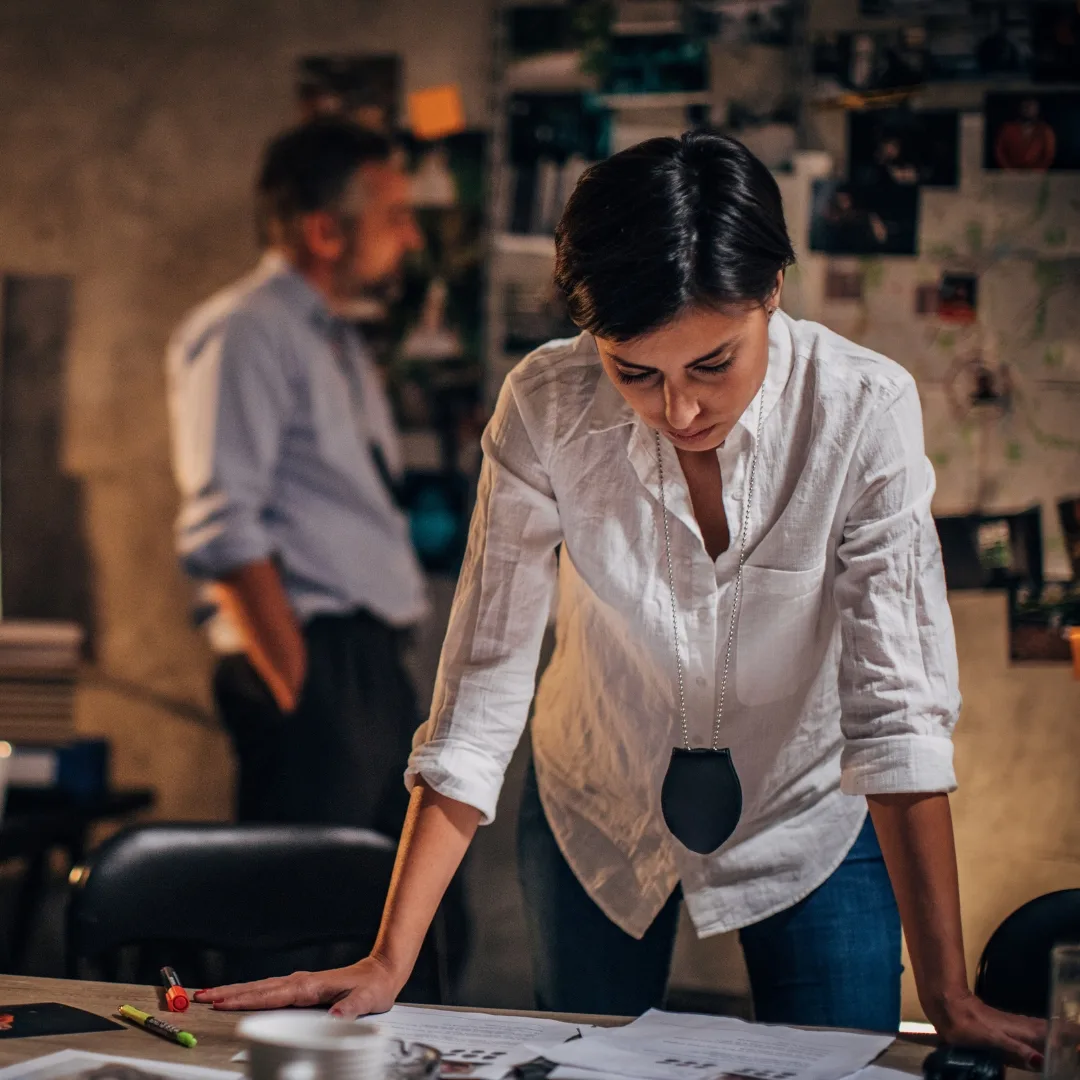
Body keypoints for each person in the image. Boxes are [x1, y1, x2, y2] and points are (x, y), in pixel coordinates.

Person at [195, 132, 1046, 1066]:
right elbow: (480, 692)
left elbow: (898, 713)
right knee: (582, 1065)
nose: (678, 412)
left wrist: (950, 996)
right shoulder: (546, 404)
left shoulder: (863, 409)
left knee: (838, 1061)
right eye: (635, 372)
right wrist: (389, 958)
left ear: (771, 291)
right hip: (593, 796)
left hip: (807, 804)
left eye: (712, 364)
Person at [166, 120, 428, 835]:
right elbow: (222, 528)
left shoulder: (332, 339)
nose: (411, 239)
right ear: (324, 231)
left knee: (401, 897)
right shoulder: (246, 330)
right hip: (320, 666)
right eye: (395, 217)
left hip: (368, 668)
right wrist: (303, 691)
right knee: (307, 897)